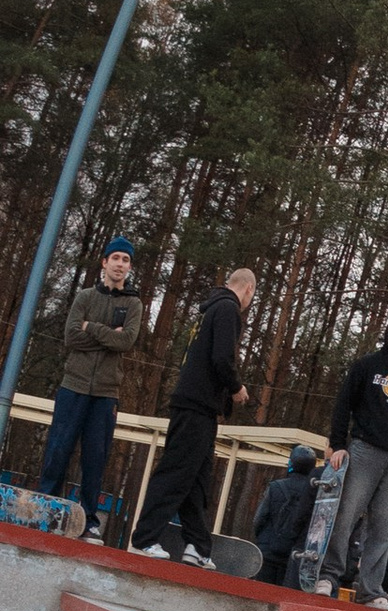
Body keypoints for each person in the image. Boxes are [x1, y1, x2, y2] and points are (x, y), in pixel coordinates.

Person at [134, 266, 255, 561]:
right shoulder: (228, 309)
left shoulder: (209, 309)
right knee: (175, 471)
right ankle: (145, 538)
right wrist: (236, 387)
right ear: (248, 290)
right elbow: (222, 357)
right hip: (197, 405)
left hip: (198, 404)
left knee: (198, 478)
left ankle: (198, 546)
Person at [38, 235, 144, 531]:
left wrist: (91, 328)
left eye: (126, 260)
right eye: (116, 258)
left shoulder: (133, 303)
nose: (120, 264)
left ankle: (88, 520)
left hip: (106, 393)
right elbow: (71, 337)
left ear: (129, 267)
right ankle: (47, 509)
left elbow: (126, 341)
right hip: (73, 386)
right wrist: (108, 334)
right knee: (58, 450)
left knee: (95, 458)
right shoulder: (85, 297)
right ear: (105, 262)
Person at [326, 308, 388, 609]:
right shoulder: (367, 365)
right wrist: (337, 444)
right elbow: (343, 404)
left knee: (384, 526)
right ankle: (328, 576)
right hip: (364, 449)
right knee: (346, 516)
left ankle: (370, 590)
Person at [252, 443, 321, 585]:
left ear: (291, 463)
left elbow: (259, 519)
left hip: (267, 553)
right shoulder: (316, 493)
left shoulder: (275, 487)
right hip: (295, 558)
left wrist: (263, 540)